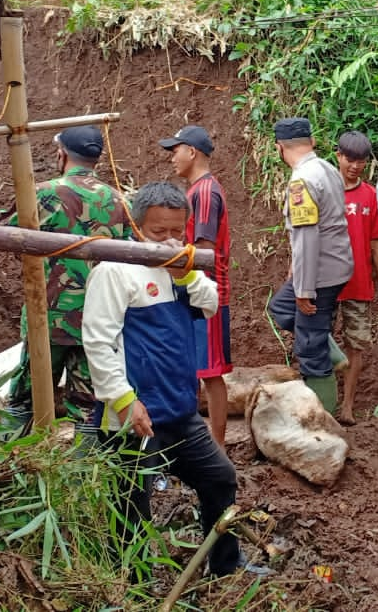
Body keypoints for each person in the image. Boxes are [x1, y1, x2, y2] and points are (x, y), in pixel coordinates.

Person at [83, 182, 262, 580]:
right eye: (157, 232)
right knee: (131, 506)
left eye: (175, 231)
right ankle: (132, 584)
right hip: (135, 417)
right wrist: (124, 400)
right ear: (135, 226)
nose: (167, 241)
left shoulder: (181, 267)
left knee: (219, 478)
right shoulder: (115, 270)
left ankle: (225, 564)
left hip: (179, 411)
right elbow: (97, 341)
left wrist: (185, 275)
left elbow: (211, 303)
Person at [2, 125, 132, 424]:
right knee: (87, 405)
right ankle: (82, 468)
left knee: (25, 397)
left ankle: (9, 461)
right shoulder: (120, 200)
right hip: (99, 319)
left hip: (48, 316)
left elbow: (2, 233)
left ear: (61, 154)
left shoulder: (44, 193)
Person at [265, 117, 353, 414]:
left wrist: (304, 289)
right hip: (334, 264)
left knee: (309, 347)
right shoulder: (327, 168)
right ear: (312, 142)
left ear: (279, 148)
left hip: (320, 274)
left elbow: (307, 236)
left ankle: (323, 419)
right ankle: (335, 354)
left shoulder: (302, 180)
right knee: (280, 307)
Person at [160, 124, 233, 446]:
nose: (172, 158)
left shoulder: (204, 192)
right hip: (194, 291)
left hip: (205, 293)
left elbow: (203, 250)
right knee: (199, 369)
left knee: (211, 372)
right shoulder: (197, 191)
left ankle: (216, 447)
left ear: (192, 151)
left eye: (175, 151)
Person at [333, 131, 378, 426]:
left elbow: (376, 241)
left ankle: (348, 406)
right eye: (350, 159)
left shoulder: (371, 195)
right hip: (327, 284)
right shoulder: (326, 189)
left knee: (356, 345)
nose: (355, 165)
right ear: (338, 156)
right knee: (321, 343)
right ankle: (324, 403)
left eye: (361, 161)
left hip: (359, 282)